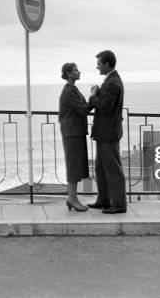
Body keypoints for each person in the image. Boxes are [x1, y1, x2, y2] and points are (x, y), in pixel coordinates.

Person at [87, 50, 127, 214]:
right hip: (106, 132)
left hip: (108, 133)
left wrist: (93, 96)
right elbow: (105, 102)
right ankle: (103, 200)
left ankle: (119, 204)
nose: (97, 67)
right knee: (101, 168)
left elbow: (105, 107)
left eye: (99, 64)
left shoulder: (112, 83)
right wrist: (99, 92)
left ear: (107, 64)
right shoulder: (111, 81)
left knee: (112, 169)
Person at [58, 62, 93, 212]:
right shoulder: (68, 91)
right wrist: (93, 97)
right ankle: (72, 199)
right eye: (76, 70)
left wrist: (90, 100)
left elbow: (83, 107)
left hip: (75, 132)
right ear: (68, 74)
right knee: (73, 165)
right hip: (72, 133)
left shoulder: (72, 89)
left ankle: (72, 198)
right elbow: (82, 109)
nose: (79, 72)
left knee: (76, 165)